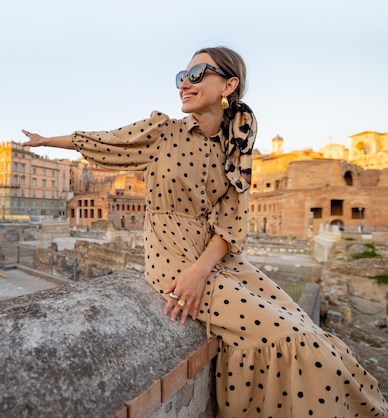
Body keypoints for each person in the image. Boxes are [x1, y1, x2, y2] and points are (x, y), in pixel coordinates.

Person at [22, 46, 388, 417]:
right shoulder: (162, 131)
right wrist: (45, 141)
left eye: (197, 74)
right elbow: (104, 141)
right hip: (172, 261)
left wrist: (202, 270)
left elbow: (232, 223)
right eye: (181, 77)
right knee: (288, 337)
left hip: (217, 260)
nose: (185, 84)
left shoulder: (236, 147)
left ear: (229, 85)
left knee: (310, 334)